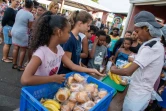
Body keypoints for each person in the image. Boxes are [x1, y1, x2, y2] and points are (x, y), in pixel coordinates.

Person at [21, 15, 104, 85]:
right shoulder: (41, 52)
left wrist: (92, 70)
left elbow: (73, 66)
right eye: (68, 32)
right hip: (35, 91)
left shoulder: (59, 49)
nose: (70, 35)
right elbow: (25, 79)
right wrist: (52, 79)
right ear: (59, 32)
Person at [111, 11, 164, 111]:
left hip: (137, 94)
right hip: (141, 93)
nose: (136, 35)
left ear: (146, 29)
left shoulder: (151, 47)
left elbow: (128, 71)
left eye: (138, 31)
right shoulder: (155, 45)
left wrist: (113, 70)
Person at [11, 0, 34, 71]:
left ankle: (14, 64)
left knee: (15, 48)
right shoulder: (30, 15)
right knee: (23, 50)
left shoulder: (19, 11)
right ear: (31, 6)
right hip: (22, 33)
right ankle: (20, 66)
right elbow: (29, 26)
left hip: (14, 30)